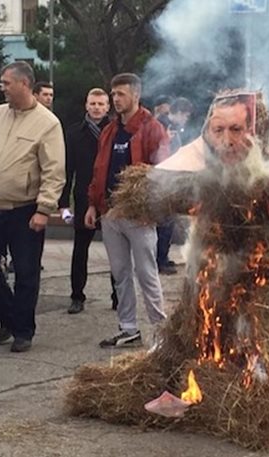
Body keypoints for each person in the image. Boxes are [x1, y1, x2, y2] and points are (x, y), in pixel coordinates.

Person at [0, 62, 65, 353]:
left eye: (6, 83)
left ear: (24, 84)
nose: (2, 88)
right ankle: (9, 317)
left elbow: (54, 170)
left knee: (25, 272)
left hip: (25, 211)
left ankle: (23, 330)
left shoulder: (47, 123)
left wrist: (44, 209)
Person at [86, 73, 168, 348]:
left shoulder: (151, 128)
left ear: (135, 95)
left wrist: (153, 209)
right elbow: (99, 170)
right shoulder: (109, 130)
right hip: (111, 213)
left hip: (139, 216)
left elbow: (163, 173)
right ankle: (129, 327)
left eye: (120, 94)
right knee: (120, 274)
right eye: (113, 94)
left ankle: (161, 332)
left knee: (147, 274)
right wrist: (92, 204)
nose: (115, 99)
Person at [59, 88, 118, 315]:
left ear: (107, 107)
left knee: (116, 250)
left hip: (110, 198)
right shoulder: (74, 133)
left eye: (101, 104)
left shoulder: (114, 131)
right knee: (80, 249)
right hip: (84, 198)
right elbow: (67, 169)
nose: (96, 108)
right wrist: (63, 203)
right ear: (86, 105)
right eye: (92, 103)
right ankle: (77, 296)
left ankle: (117, 295)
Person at [155, 97, 195, 275]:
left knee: (167, 223)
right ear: (178, 113)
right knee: (164, 223)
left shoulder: (170, 126)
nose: (185, 119)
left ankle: (162, 257)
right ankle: (160, 260)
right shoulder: (163, 125)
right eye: (185, 116)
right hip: (163, 180)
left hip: (170, 179)